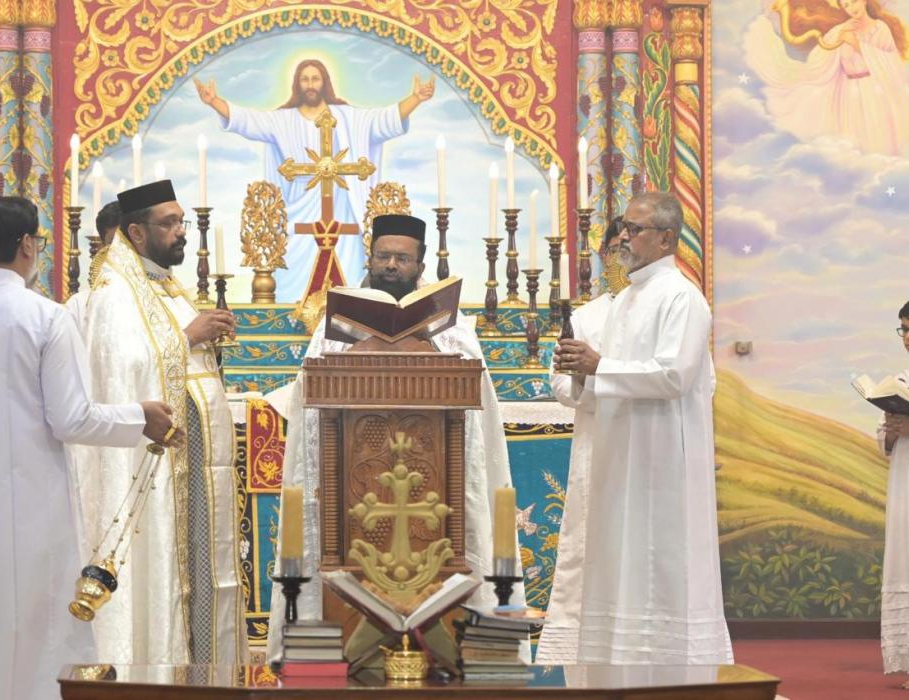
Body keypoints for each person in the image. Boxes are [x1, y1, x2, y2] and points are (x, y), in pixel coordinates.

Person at [0, 196, 180, 700]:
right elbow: (71, 418)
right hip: (31, 513)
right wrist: (138, 416)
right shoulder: (46, 318)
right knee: (37, 640)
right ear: (27, 245)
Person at [265, 213, 522, 660]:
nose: (390, 265)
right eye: (383, 256)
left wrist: (427, 345)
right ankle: (340, 651)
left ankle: (447, 647)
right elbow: (312, 385)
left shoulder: (452, 325)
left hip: (432, 490)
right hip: (356, 493)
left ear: (420, 264)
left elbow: (471, 381)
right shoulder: (335, 322)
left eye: (402, 258)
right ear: (370, 258)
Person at [69, 180, 249, 666]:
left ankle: (205, 677)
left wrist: (200, 338)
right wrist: (187, 336)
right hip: (151, 473)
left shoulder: (167, 286)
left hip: (192, 468)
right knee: (162, 571)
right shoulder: (114, 292)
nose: (180, 232)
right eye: (168, 223)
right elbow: (120, 367)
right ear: (136, 232)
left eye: (180, 222)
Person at [557, 192, 733, 664]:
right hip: (620, 456)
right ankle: (621, 674)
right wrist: (581, 373)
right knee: (621, 564)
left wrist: (598, 365)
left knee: (660, 563)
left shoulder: (682, 297)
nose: (624, 239)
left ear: (666, 239)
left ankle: (669, 676)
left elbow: (674, 376)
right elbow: (605, 383)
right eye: (624, 229)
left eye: (635, 230)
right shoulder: (627, 300)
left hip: (661, 460)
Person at [195, 59, 435, 300]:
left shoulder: (348, 118)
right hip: (299, 211)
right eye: (305, 79)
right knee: (293, 275)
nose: (310, 84)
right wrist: (215, 102)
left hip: (343, 208)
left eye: (315, 78)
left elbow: (383, 120)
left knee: (350, 270)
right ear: (297, 84)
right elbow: (250, 121)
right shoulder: (283, 120)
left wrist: (415, 98)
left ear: (325, 82)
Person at [536, 217, 628, 665]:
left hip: (652, 450)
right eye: (616, 246)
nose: (624, 253)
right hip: (598, 446)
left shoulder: (669, 308)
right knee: (594, 550)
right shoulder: (585, 317)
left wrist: (605, 370)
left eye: (632, 242)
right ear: (604, 255)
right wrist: (589, 378)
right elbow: (561, 384)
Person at [744, 0, 909, 157]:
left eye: (854, 1)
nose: (851, 8)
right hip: (847, 94)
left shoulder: (880, 28)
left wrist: (856, 44)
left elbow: (892, 63)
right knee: (852, 140)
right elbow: (822, 58)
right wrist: (839, 39)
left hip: (873, 93)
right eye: (846, 5)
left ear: (864, 1)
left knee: (876, 137)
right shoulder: (840, 30)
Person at [880, 301, 909, 681]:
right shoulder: (900, 381)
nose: (907, 337)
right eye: (903, 328)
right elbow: (884, 444)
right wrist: (890, 431)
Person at [66, 200, 121, 331]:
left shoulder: (158, 300)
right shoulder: (79, 305)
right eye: (113, 243)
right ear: (102, 248)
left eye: (127, 243)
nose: (122, 251)